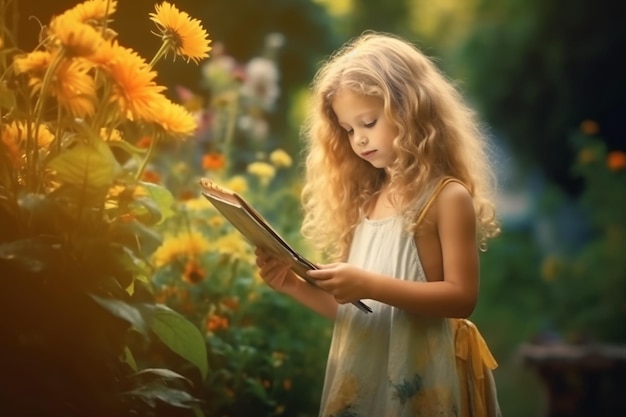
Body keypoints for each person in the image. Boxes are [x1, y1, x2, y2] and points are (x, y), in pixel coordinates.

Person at [255, 31, 501, 417]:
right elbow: (359, 313)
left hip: (421, 380)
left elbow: (461, 298)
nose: (358, 139)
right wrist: (290, 283)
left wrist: (368, 284)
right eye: (348, 129)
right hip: (363, 380)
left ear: (410, 108)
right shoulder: (366, 202)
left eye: (368, 121)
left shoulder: (446, 198)